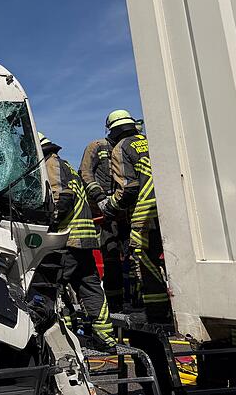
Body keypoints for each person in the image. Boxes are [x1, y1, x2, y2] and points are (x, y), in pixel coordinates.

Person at [39, 132, 117, 351]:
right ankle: (105, 338)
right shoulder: (68, 166)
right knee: (89, 285)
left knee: (53, 287)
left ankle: (65, 338)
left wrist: (50, 225)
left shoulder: (50, 163)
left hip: (68, 239)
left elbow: (60, 197)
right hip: (85, 238)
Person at [99, 111, 171, 322]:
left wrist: (109, 206)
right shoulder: (151, 142)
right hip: (168, 212)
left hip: (144, 215)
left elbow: (129, 188)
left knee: (143, 260)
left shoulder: (121, 148)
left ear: (112, 130)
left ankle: (157, 314)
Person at [80, 121, 124, 312]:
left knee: (131, 256)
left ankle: (133, 299)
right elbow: (86, 173)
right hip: (103, 214)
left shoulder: (125, 147)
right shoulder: (96, 147)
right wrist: (99, 198)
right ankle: (115, 304)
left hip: (123, 210)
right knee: (111, 255)